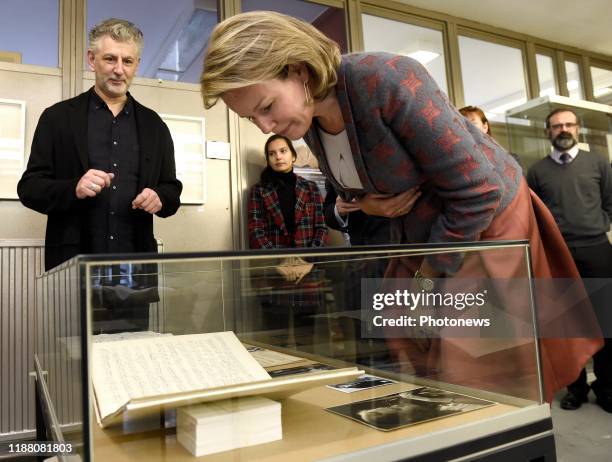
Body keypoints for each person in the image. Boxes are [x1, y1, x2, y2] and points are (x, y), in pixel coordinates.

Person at [200, 11, 601, 400]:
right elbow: (360, 191)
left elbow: (478, 191)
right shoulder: (311, 123)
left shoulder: (385, 77)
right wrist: (371, 209)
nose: (265, 127)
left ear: (301, 71)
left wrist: (427, 279)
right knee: (406, 335)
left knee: (472, 364)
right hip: (423, 234)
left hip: (487, 224)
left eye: (267, 107)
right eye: (252, 117)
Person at [18, 18, 182, 330]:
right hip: (73, 273)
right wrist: (73, 189)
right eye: (110, 58)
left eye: (127, 61)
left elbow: (172, 190)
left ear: (136, 65)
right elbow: (29, 188)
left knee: (131, 367)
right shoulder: (57, 118)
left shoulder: (154, 126)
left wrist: (159, 197)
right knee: (75, 367)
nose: (119, 69)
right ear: (91, 60)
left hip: (134, 275)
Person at [527, 108, 612, 413]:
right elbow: (534, 216)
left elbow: (610, 202)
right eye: (556, 125)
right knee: (567, 325)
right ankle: (575, 388)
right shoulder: (536, 171)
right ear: (547, 132)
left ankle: (607, 388)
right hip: (558, 255)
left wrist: (597, 223)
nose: (562, 129)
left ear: (578, 129)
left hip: (597, 251)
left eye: (568, 124)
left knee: (606, 323)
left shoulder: (599, 163)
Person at [248, 134, 327, 348]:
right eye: (272, 153)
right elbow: (256, 233)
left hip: (308, 272)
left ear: (293, 156)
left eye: (283, 151)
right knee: (276, 341)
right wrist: (280, 262)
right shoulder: (259, 191)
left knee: (306, 340)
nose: (278, 157)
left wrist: (308, 261)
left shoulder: (310, 188)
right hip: (275, 274)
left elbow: (320, 228)